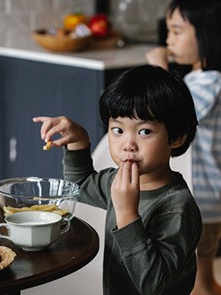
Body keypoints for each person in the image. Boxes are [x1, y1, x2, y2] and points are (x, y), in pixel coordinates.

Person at [33, 65, 202, 295]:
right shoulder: (117, 182)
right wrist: (79, 141)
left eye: (144, 132)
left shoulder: (178, 208)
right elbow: (80, 186)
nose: (127, 144)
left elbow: (153, 284)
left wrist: (127, 214)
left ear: (177, 137)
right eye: (117, 130)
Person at [146, 1, 221, 295]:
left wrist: (158, 70)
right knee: (204, 284)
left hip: (201, 204)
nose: (169, 40)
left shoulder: (210, 82)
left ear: (207, 34)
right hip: (205, 203)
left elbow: (167, 111)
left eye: (176, 31)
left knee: (199, 288)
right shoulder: (198, 80)